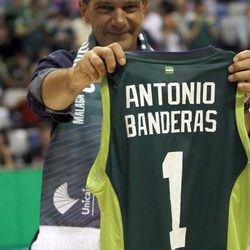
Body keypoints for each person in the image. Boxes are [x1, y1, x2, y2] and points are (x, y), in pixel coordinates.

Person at [27, 0, 250, 250]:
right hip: (73, 234)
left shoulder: (177, 79)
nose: (119, 19)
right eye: (105, 8)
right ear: (83, 9)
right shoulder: (64, 65)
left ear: (145, 7)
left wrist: (243, 97)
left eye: (130, 7)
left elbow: (216, 145)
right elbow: (43, 94)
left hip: (147, 232)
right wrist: (77, 76)